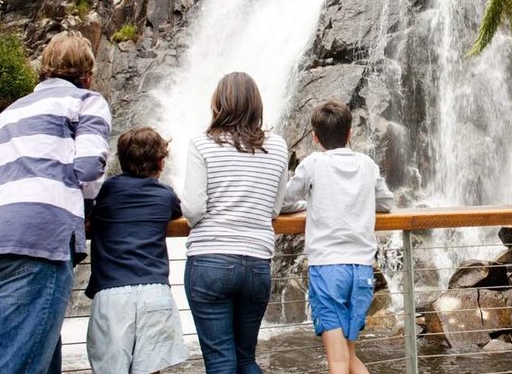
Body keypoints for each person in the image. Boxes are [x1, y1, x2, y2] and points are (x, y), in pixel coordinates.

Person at [0, 30, 112, 374]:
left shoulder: (9, 112)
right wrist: (84, 213)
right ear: (87, 75)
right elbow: (88, 168)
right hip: (36, 241)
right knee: (11, 365)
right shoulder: (87, 100)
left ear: (42, 71)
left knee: (37, 355)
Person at [181, 72, 289, 374]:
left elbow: (192, 209)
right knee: (245, 359)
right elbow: (275, 207)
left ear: (218, 103)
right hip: (257, 264)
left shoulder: (202, 144)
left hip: (210, 262)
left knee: (220, 362)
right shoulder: (277, 146)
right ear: (257, 105)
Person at [280, 99, 395, 374]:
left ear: (315, 137)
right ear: (350, 133)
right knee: (349, 356)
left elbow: (283, 201)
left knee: (338, 361)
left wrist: (309, 202)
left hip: (328, 269)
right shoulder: (367, 164)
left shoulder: (314, 164)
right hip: (362, 271)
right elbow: (387, 203)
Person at [85, 126, 188, 374]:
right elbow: (178, 212)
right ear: (161, 162)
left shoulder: (107, 190)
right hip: (155, 290)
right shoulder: (166, 195)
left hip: (112, 293)